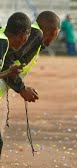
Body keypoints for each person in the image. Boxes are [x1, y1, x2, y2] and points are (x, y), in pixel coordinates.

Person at [2, 11, 61, 103]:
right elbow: (7, 59)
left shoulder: (33, 35)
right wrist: (22, 89)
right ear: (54, 32)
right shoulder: (35, 34)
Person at [0, 12, 32, 157]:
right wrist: (9, 72)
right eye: (27, 37)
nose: (25, 42)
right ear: (22, 33)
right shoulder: (2, 42)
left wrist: (8, 72)